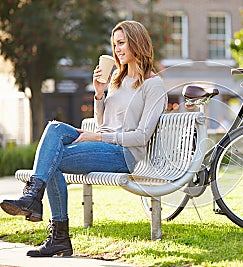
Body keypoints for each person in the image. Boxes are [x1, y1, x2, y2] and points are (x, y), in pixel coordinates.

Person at [0, 20, 167, 257]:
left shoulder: (153, 84)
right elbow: (104, 124)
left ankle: (50, 224)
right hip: (104, 145)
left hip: (125, 155)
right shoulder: (118, 80)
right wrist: (99, 93)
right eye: (115, 44)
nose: (117, 49)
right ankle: (37, 203)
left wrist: (98, 137)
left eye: (122, 43)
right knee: (55, 128)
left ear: (137, 42)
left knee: (53, 161)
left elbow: (141, 137)